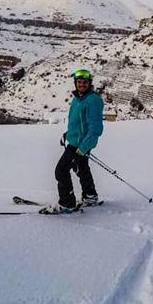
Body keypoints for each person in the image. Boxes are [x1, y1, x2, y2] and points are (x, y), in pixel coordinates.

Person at [49, 68, 104, 213]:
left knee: (61, 171)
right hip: (75, 141)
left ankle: (67, 204)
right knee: (81, 168)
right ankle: (90, 196)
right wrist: (67, 135)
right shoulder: (78, 98)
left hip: (80, 144)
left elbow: (96, 129)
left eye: (84, 82)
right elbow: (77, 123)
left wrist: (83, 148)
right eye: (79, 82)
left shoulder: (92, 100)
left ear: (89, 83)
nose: (81, 85)